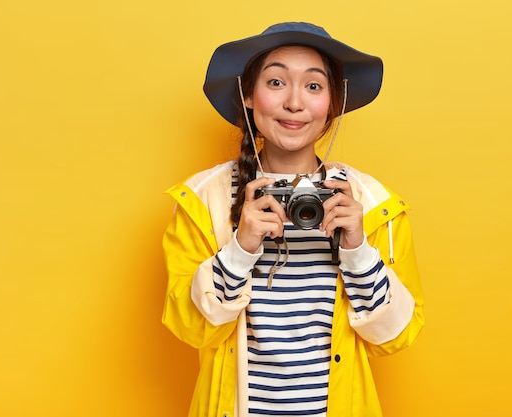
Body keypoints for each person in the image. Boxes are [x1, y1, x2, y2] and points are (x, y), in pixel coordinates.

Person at [162, 22, 425, 417]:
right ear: (248, 95)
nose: (295, 103)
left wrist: (357, 250)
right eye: (276, 82)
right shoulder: (205, 200)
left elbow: (394, 337)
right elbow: (191, 328)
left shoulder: (372, 205)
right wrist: (240, 248)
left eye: (314, 86)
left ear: (334, 102)